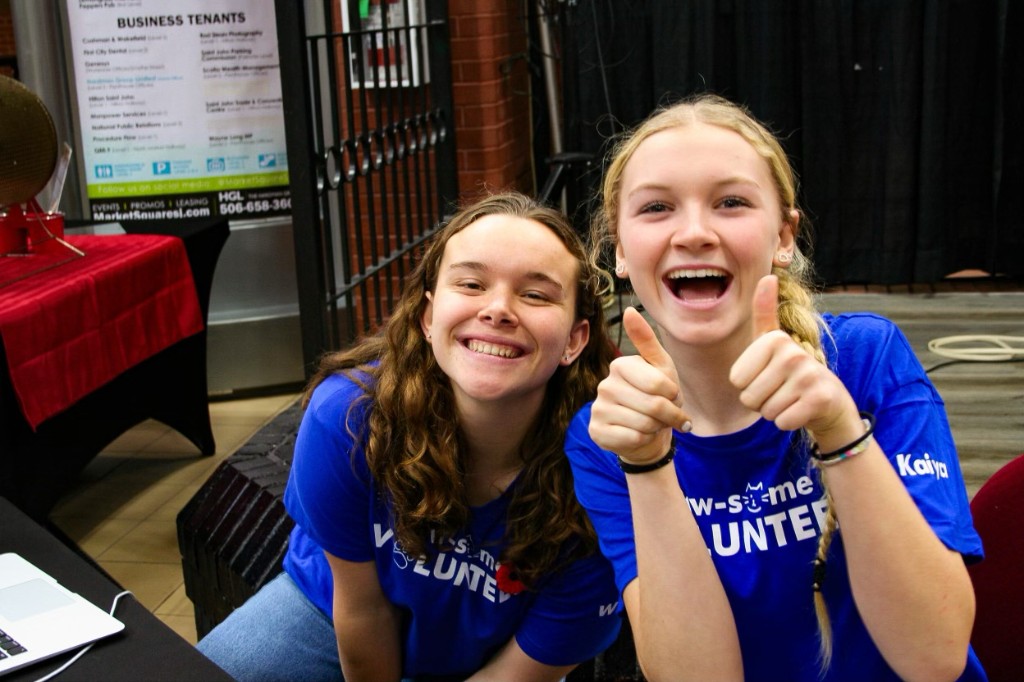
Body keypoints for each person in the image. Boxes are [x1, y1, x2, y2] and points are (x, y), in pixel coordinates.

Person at [564, 94, 986, 681]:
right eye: (656, 207)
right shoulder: (607, 436)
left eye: (731, 202)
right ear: (619, 249)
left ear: (783, 236)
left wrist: (839, 430)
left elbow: (934, 657)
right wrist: (647, 465)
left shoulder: (862, 359)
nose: (693, 233)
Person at [196, 191, 621, 681]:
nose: (498, 309)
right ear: (428, 317)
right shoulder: (350, 418)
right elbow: (362, 611)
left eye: (535, 294)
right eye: (471, 283)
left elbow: (524, 670)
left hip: (503, 649)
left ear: (574, 340)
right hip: (330, 612)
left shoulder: (605, 469)